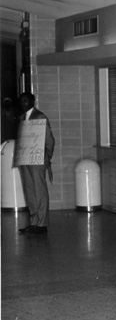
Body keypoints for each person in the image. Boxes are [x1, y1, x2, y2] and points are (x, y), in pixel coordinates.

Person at [17, 92, 55, 234]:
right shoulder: (22, 118)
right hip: (26, 159)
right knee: (30, 191)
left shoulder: (40, 117)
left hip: (37, 160)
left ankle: (42, 223)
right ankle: (33, 222)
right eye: (21, 101)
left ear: (33, 101)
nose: (23, 104)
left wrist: (47, 157)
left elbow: (50, 140)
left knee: (39, 191)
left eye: (26, 101)